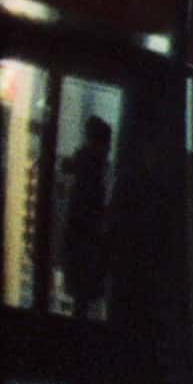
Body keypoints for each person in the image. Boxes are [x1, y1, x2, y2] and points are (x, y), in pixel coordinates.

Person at [56, 114, 114, 322]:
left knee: (81, 296)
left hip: (80, 238)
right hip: (87, 240)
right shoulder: (94, 169)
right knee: (84, 293)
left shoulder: (84, 164)